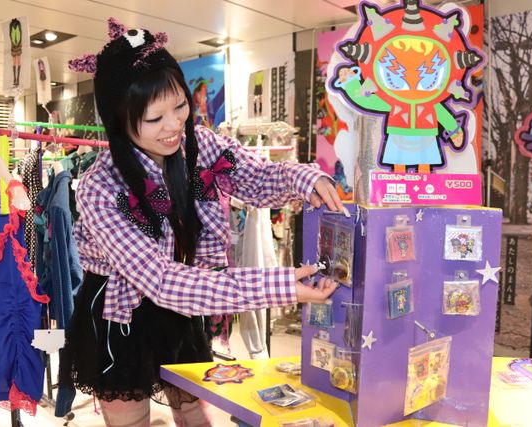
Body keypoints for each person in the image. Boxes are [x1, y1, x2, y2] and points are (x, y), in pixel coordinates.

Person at [62, 18, 343, 426]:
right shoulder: (100, 187)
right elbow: (160, 279)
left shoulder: (200, 144)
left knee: (195, 408)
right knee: (130, 419)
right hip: (120, 311)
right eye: (154, 118)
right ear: (119, 120)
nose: (174, 125)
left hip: (187, 296)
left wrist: (304, 177)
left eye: (180, 106)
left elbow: (257, 177)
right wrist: (280, 286)